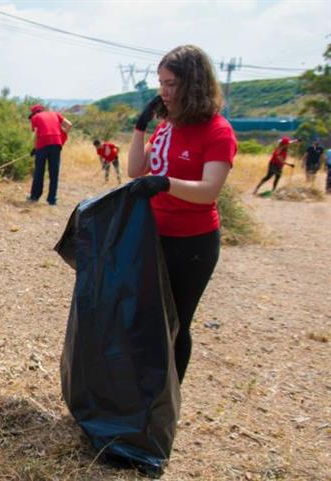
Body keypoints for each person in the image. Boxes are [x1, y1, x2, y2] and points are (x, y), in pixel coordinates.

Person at [127, 45, 237, 385]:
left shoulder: (218, 131)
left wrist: (164, 183)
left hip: (192, 244)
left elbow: (208, 190)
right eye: (161, 82)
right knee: (144, 318)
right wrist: (141, 126)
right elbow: (134, 170)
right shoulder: (166, 126)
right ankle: (138, 395)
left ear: (194, 83)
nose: (164, 91)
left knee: (175, 324)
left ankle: (164, 403)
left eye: (172, 83)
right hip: (153, 235)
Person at [27, 104, 72, 205]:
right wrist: (62, 135)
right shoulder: (55, 114)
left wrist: (35, 148)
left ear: (34, 113)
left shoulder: (35, 117)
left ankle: (34, 196)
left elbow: (36, 134)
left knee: (39, 171)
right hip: (56, 144)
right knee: (54, 172)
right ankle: (52, 199)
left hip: (43, 144)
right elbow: (69, 124)